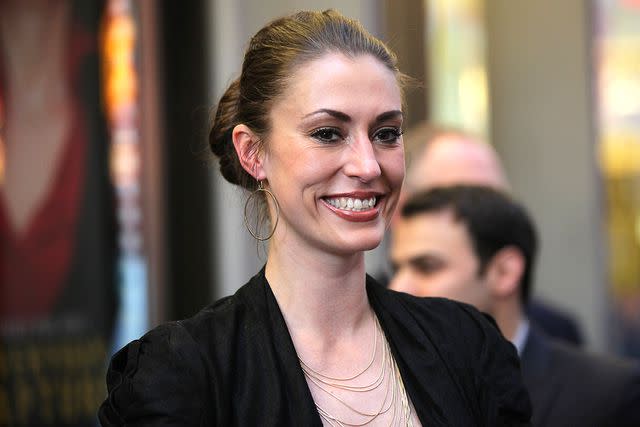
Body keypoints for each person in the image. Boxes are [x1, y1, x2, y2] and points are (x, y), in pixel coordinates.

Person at [98, 10, 531, 426]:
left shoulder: (466, 345)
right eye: (327, 133)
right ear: (253, 152)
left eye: (386, 133)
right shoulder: (184, 373)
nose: (368, 166)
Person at [390, 185, 640, 427]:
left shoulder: (607, 396)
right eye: (396, 269)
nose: (398, 287)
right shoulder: (388, 389)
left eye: (427, 267)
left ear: (504, 272)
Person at [398, 124, 584, 346]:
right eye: (451, 198)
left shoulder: (556, 333)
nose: (482, 215)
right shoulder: (368, 325)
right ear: (401, 207)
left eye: (494, 199)